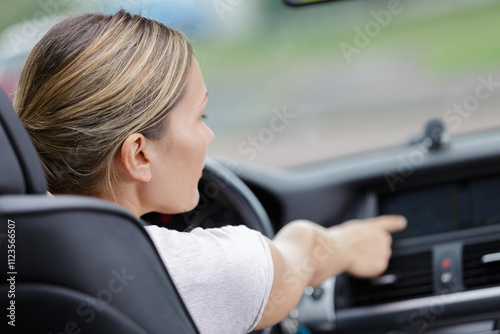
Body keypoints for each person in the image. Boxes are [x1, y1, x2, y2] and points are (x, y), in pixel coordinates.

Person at [14, 11, 406, 333]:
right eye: (200, 116)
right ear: (139, 154)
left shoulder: (14, 248)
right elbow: (298, 260)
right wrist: (348, 245)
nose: (209, 135)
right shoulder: (200, 271)